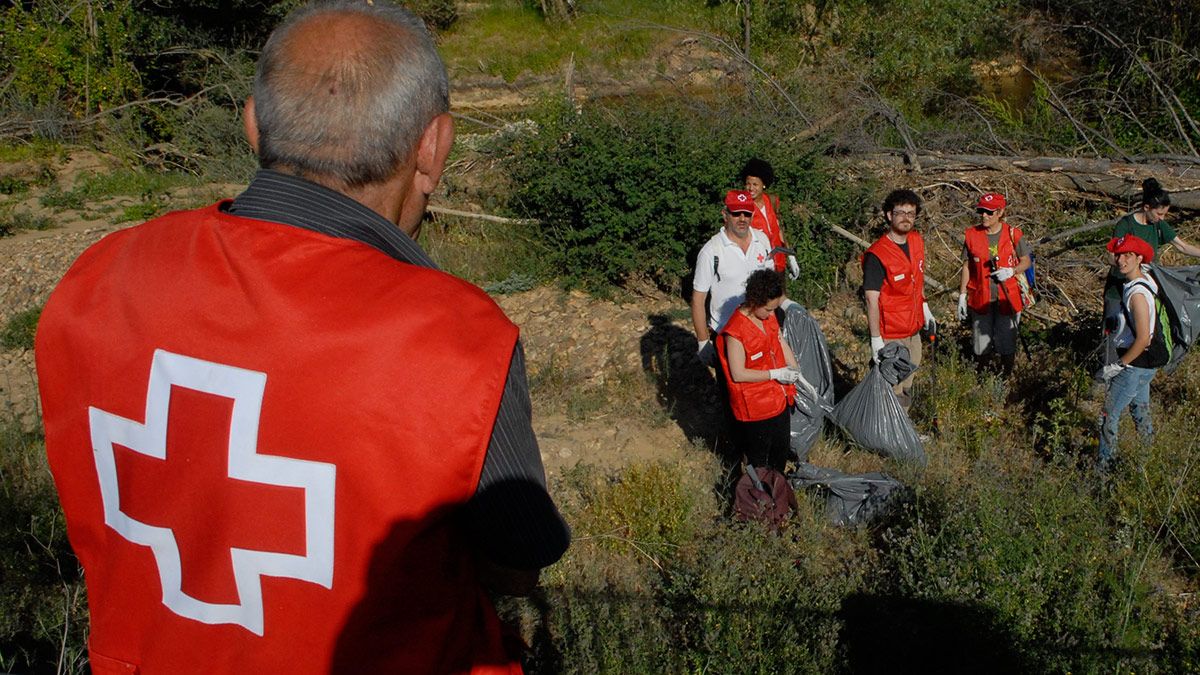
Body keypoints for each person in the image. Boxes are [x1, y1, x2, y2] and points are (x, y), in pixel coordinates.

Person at [35, 2, 568, 672]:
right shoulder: (458, 341)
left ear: (253, 127)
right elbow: (520, 558)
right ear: (433, 147)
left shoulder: (99, 276)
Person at [716, 269, 802, 473]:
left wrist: (794, 367)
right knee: (760, 458)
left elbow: (779, 340)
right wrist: (775, 374)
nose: (772, 315)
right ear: (754, 301)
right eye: (768, 310)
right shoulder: (735, 331)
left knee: (780, 451)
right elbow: (738, 373)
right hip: (755, 406)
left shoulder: (767, 317)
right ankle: (758, 498)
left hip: (778, 397)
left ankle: (778, 492)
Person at [1098, 235, 1169, 469]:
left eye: (1128, 255)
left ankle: (1104, 471)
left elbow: (1143, 339)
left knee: (1108, 414)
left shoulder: (1137, 293)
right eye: (1118, 255)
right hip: (1146, 365)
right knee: (1140, 410)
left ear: (1139, 258)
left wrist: (1117, 365)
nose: (1121, 260)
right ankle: (1145, 465)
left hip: (1134, 364)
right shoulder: (1144, 281)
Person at [862, 189, 936, 407]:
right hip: (891, 334)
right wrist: (876, 340)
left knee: (907, 384)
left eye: (911, 213)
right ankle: (886, 437)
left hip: (913, 329)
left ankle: (903, 433)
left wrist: (925, 310)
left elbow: (917, 283)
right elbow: (871, 300)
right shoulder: (878, 255)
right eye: (900, 212)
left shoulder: (916, 242)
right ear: (889, 215)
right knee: (891, 389)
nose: (906, 218)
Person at [692, 189, 774, 363]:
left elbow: (771, 286)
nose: (742, 218)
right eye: (736, 213)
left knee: (760, 386)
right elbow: (698, 299)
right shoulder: (711, 251)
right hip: (727, 334)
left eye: (747, 213)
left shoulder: (763, 241)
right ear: (725, 214)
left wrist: (785, 307)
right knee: (731, 388)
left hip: (760, 330)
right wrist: (702, 341)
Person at [1104, 178, 1200, 325]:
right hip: (1119, 288)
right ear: (1147, 207)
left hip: (1145, 287)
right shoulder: (1126, 225)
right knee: (1115, 330)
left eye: (1164, 214)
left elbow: (1182, 246)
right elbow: (1110, 256)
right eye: (1159, 214)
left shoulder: (1158, 225)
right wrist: (1129, 264)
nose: (1162, 218)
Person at [956, 192, 1032, 378]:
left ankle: (1006, 378)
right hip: (980, 298)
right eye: (981, 211)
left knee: (1007, 342)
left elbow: (1026, 261)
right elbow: (966, 267)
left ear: (1000, 212)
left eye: (989, 212)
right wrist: (962, 295)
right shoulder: (972, 235)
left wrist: (1012, 271)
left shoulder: (1012, 234)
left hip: (1008, 297)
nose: (984, 215)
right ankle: (981, 378)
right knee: (980, 344)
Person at [741, 157, 800, 280]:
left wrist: (790, 257)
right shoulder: (743, 208)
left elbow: (779, 229)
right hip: (759, 264)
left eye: (755, 184)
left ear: (764, 185)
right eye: (748, 184)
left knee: (780, 296)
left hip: (779, 260)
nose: (751, 188)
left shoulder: (772, 201)